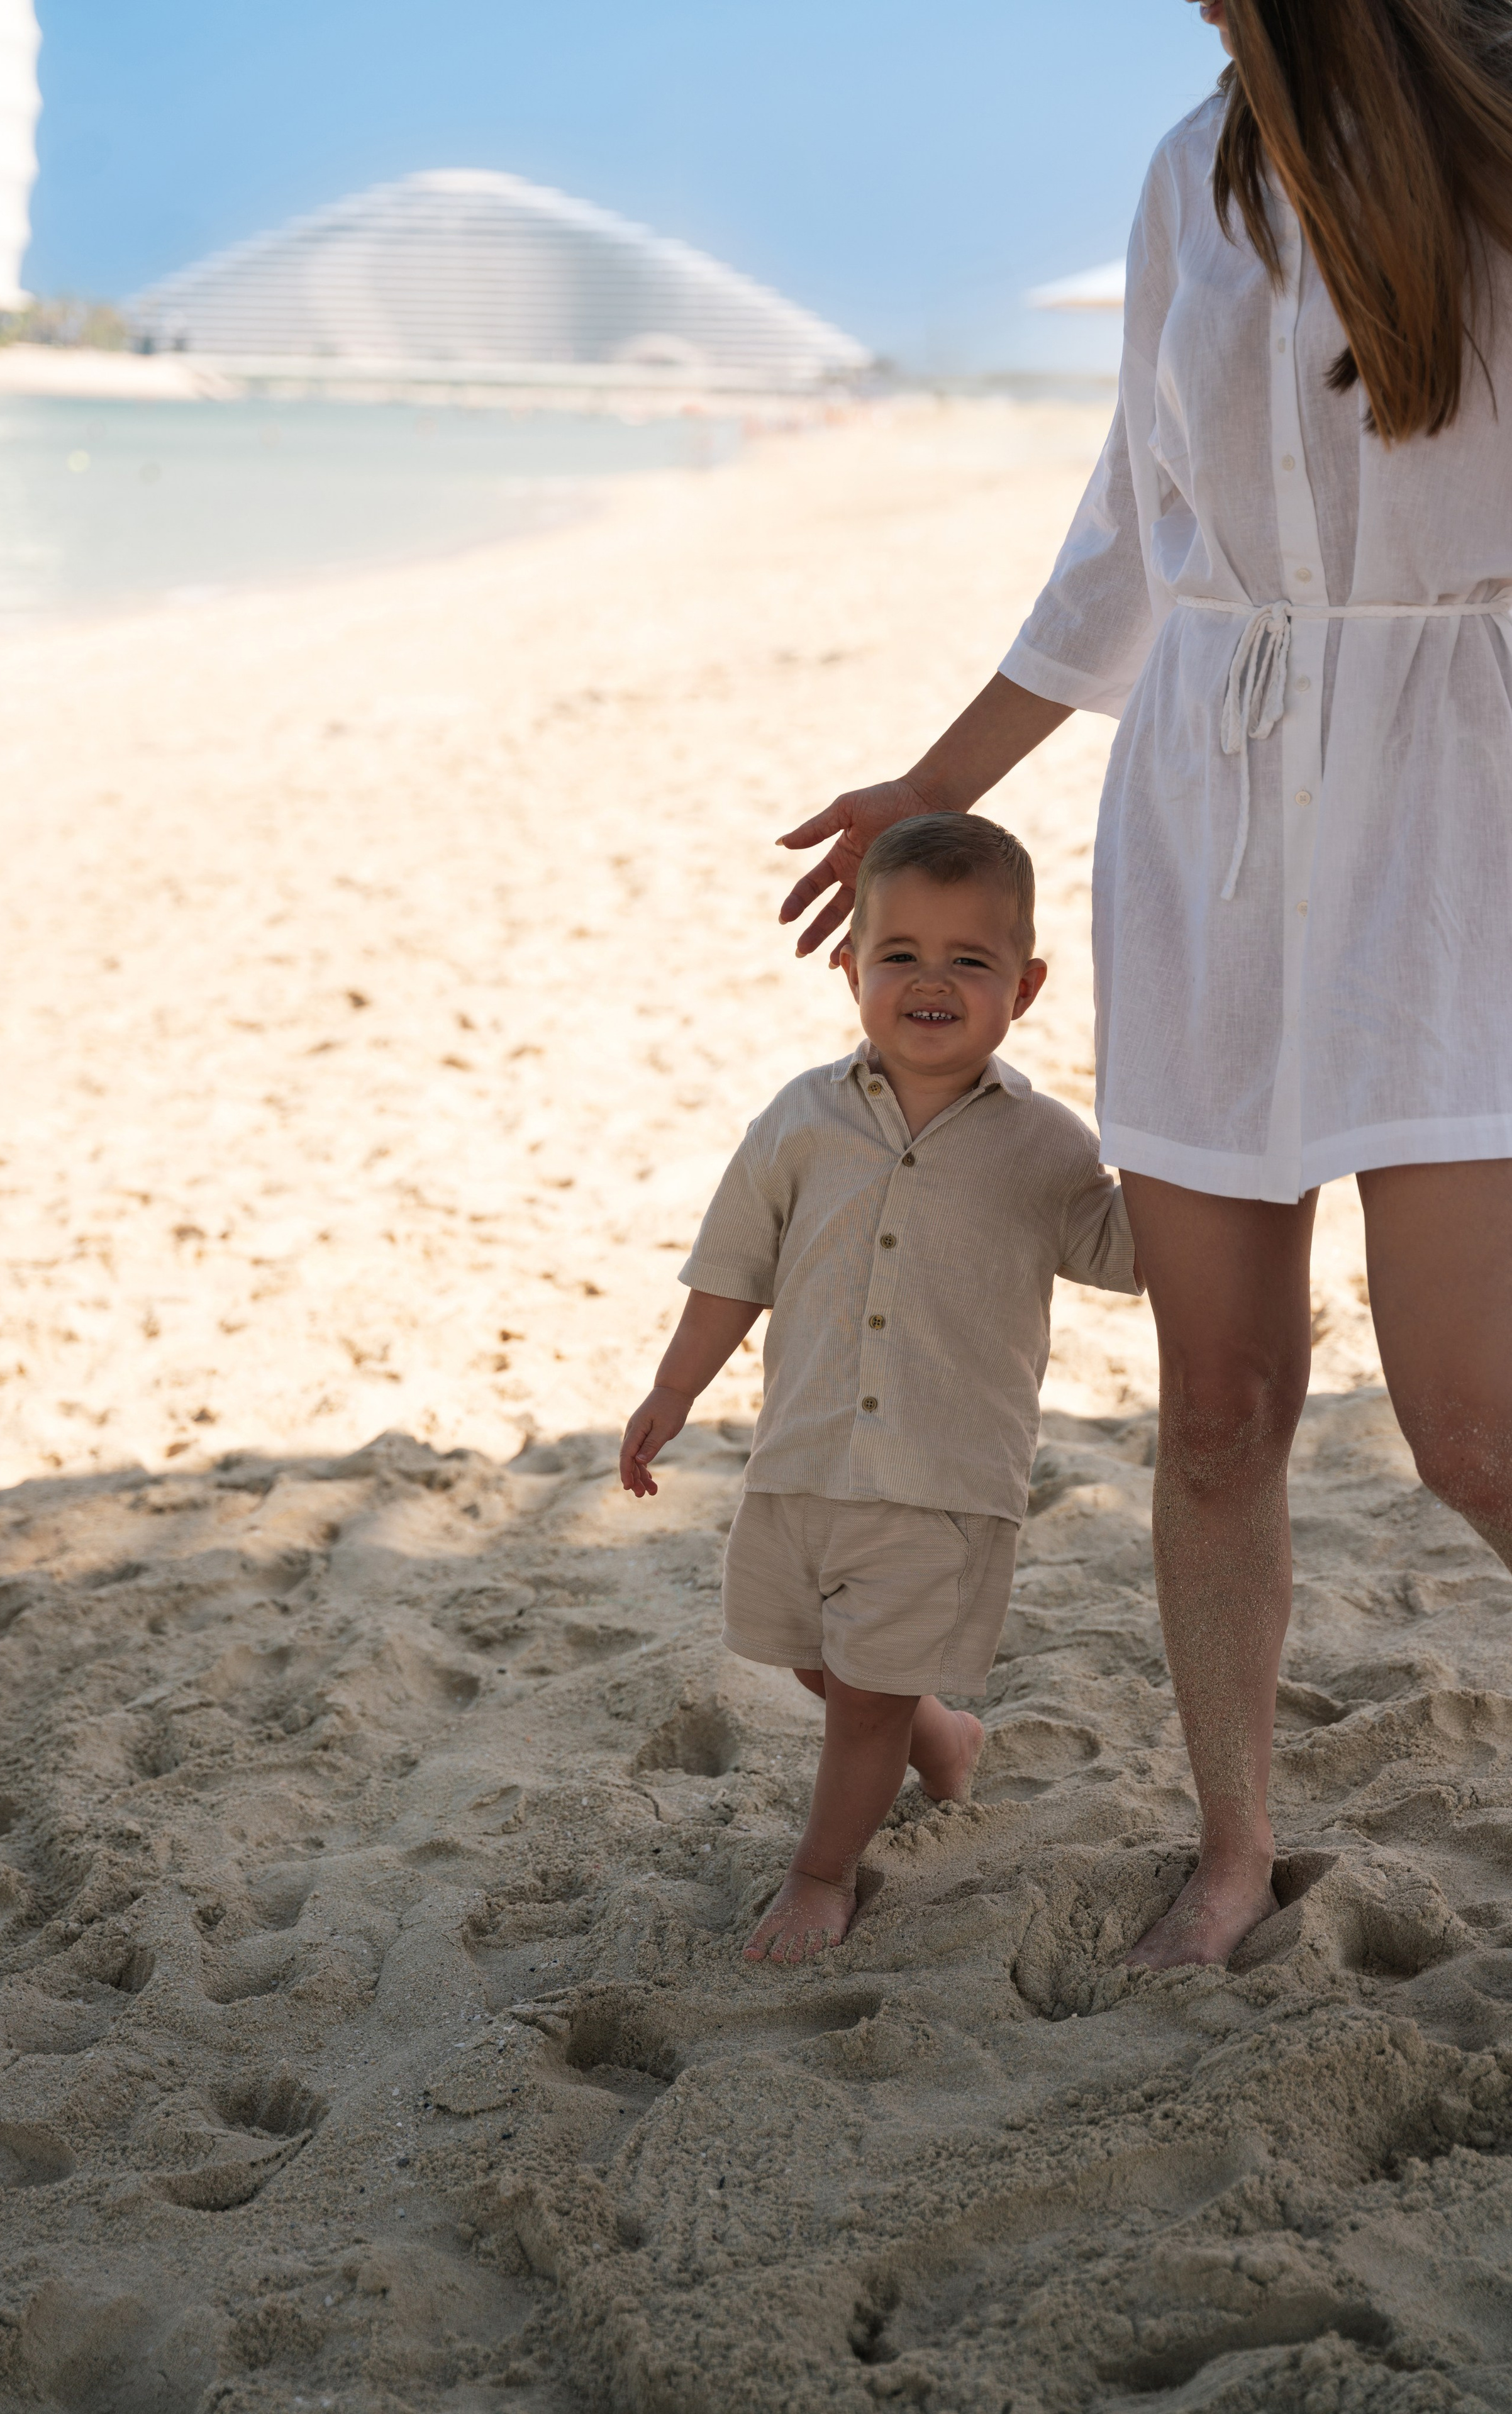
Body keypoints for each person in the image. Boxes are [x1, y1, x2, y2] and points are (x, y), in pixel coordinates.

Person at [775, 0, 1512, 1970]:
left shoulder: (1494, 136)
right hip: (1206, 801)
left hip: (1459, 800)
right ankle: (1233, 1848)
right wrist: (936, 791)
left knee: (1472, 1422)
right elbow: (1127, 526)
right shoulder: (1194, 166)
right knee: (1222, 1401)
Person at [619, 816, 1141, 1963]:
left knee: (861, 1692)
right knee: (817, 1655)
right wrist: (672, 1388)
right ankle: (943, 1738)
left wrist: (1177, 1146)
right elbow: (731, 1271)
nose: (933, 980)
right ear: (852, 968)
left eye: (970, 959)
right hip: (802, 1456)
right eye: (901, 953)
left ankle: (821, 1874)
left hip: (943, 1475)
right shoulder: (800, 1119)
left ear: (1027, 984)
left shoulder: (1048, 1145)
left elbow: (1131, 1255)